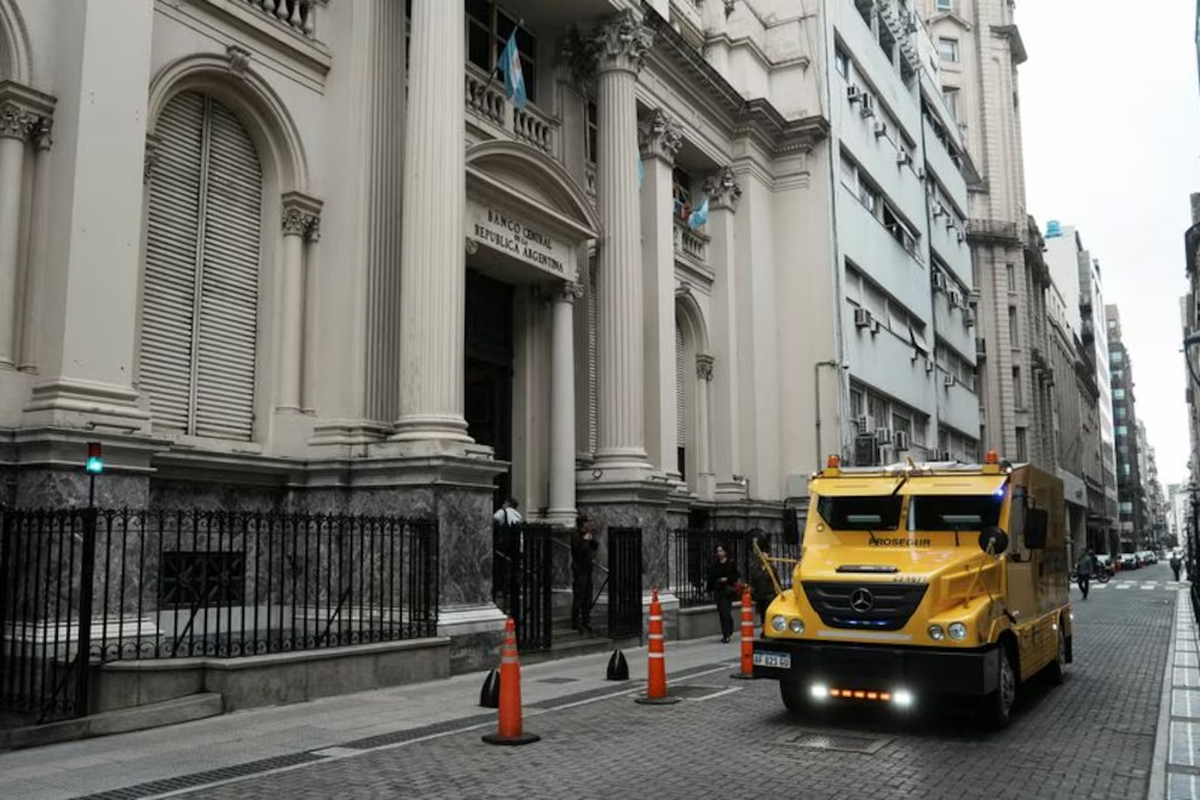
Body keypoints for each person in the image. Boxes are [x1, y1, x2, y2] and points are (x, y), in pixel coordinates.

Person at [707, 543, 740, 643]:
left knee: (726, 612)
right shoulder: (715, 564)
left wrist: (727, 579)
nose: (719, 553)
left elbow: (736, 575)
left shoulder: (730, 563)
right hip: (718, 591)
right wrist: (709, 590)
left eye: (721, 551)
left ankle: (728, 631)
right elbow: (711, 578)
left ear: (725, 552)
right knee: (721, 613)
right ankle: (725, 634)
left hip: (727, 591)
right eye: (718, 551)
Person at [571, 516, 599, 634]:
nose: (589, 525)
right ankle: (576, 621)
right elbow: (579, 551)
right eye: (587, 523)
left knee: (588, 597)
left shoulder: (587, 535)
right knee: (579, 596)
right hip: (580, 570)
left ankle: (586, 620)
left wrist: (591, 538)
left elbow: (595, 546)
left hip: (588, 569)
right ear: (583, 524)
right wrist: (586, 540)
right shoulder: (576, 535)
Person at [748, 533, 777, 625]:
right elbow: (754, 579)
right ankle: (764, 628)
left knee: (770, 613)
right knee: (762, 613)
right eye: (764, 554)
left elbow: (776, 580)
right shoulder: (755, 567)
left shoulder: (771, 567)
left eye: (767, 554)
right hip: (760, 595)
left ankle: (769, 627)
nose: (766, 555)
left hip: (770, 594)